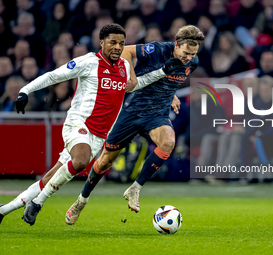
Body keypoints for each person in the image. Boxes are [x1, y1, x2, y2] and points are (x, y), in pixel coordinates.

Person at [0, 23, 184, 225]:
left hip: (99, 135)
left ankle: (4, 210)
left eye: (121, 44)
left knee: (51, 177)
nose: (117, 47)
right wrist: (25, 90)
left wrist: (162, 71)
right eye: (112, 42)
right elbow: (54, 75)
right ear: (101, 42)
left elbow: (134, 85)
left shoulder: (124, 67)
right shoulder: (88, 62)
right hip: (78, 124)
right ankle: (38, 203)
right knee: (80, 160)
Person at [64, 25, 205, 225]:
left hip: (157, 114)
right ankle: (81, 200)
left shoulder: (193, 62)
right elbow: (127, 51)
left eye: (193, 54)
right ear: (176, 45)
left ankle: (135, 188)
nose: (189, 57)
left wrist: (171, 94)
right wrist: (131, 77)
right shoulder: (157, 49)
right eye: (185, 53)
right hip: (131, 111)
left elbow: (170, 79)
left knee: (168, 142)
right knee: (105, 162)